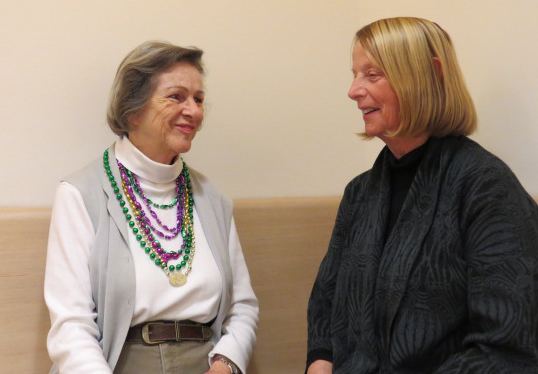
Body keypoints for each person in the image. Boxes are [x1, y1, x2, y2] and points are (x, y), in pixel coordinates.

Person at [306, 17, 538, 374]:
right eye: (355, 74)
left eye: (373, 74)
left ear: (430, 74)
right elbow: (326, 301)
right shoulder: (359, 193)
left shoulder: (486, 187)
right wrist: (320, 362)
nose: (353, 90)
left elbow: (507, 348)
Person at [44, 41, 258, 374]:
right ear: (132, 109)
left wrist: (226, 363)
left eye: (198, 99)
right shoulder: (79, 194)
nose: (195, 111)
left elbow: (242, 308)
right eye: (177, 97)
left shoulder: (212, 199)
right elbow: (71, 325)